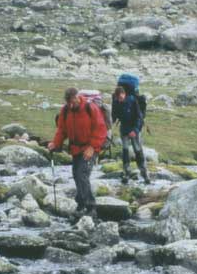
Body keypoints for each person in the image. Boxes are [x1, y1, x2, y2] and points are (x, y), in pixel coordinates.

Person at [47, 87, 108, 218]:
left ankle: (91, 207)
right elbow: (62, 130)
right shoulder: (65, 110)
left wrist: (92, 147)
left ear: (77, 97)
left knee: (82, 174)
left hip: (91, 148)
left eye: (72, 102)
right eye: (68, 102)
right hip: (76, 148)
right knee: (76, 175)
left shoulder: (90, 108)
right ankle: (81, 205)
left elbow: (100, 129)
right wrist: (55, 143)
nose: (70, 105)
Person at [111, 73, 150, 185]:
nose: (119, 100)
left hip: (134, 129)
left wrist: (135, 130)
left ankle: (145, 174)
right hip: (124, 129)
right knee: (125, 151)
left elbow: (139, 117)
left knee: (138, 150)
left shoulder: (133, 101)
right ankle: (127, 173)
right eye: (117, 98)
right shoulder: (116, 101)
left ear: (124, 93)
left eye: (120, 98)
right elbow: (114, 115)